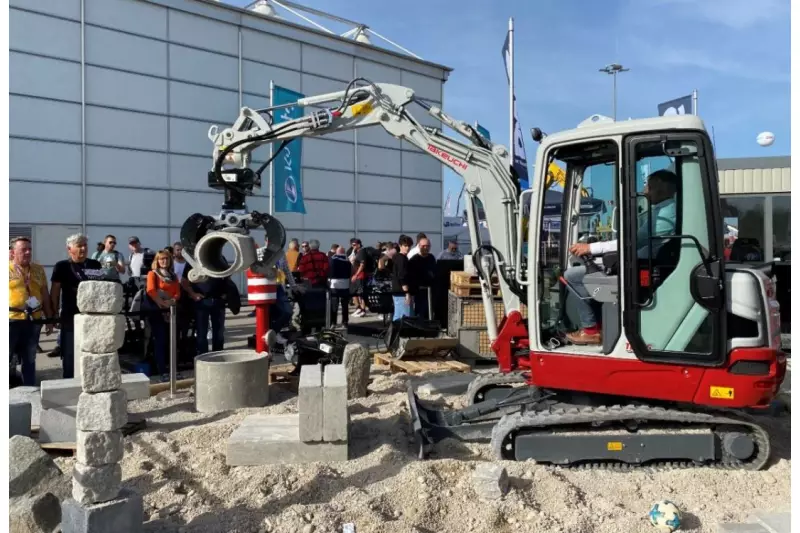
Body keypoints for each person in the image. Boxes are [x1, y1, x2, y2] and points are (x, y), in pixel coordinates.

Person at [565, 169, 678, 345]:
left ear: (661, 188)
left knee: (572, 276)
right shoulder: (665, 210)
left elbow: (632, 241)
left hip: (641, 265)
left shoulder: (665, 215)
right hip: (640, 261)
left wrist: (590, 248)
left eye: (648, 186)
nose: (645, 190)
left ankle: (591, 329)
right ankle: (600, 326)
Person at [50, 234, 103, 378]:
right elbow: (55, 292)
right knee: (70, 353)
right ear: (69, 249)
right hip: (70, 315)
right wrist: (53, 314)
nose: (84, 248)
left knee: (92, 350)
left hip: (92, 316)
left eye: (85, 245)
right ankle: (68, 380)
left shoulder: (95, 264)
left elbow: (100, 289)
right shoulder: (62, 266)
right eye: (79, 245)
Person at [10, 236, 54, 385]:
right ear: (12, 252)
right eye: (23, 250)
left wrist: (49, 318)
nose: (28, 252)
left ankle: (30, 388)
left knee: (30, 357)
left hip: (34, 320)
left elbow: (45, 294)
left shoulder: (38, 269)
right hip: (11, 319)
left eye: (29, 249)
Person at [145, 250, 181, 382]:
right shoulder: (152, 274)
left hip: (171, 310)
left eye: (166, 258)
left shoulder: (173, 276)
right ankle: (162, 371)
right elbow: (150, 290)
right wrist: (161, 303)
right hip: (157, 311)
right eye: (161, 259)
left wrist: (172, 301)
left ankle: (173, 369)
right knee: (160, 341)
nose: (164, 261)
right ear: (157, 261)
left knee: (172, 341)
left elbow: (177, 292)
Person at [180, 262, 228, 357]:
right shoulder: (192, 261)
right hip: (201, 301)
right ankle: (204, 358)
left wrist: (226, 294)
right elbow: (184, 280)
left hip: (218, 301)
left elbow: (227, 276)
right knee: (202, 333)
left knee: (219, 334)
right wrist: (193, 294)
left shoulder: (220, 258)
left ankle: (218, 357)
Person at [409, 237, 436, 319]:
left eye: (427, 246)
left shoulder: (431, 258)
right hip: (419, 291)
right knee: (420, 312)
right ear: (419, 246)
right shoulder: (414, 259)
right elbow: (411, 276)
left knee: (430, 312)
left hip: (430, 290)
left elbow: (435, 271)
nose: (426, 248)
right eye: (423, 246)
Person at [391, 235, 414, 320]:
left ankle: (394, 332)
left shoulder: (398, 257)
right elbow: (402, 276)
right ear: (400, 246)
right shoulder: (401, 258)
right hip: (401, 292)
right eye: (405, 246)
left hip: (397, 291)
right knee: (404, 317)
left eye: (409, 246)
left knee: (398, 315)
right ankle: (397, 333)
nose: (407, 248)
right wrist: (407, 293)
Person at [328, 246, 351, 326]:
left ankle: (333, 322)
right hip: (345, 284)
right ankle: (345, 322)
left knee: (334, 304)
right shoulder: (347, 261)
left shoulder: (332, 260)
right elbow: (350, 272)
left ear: (336, 252)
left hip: (334, 284)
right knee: (345, 305)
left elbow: (329, 271)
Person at [350, 239, 373, 317]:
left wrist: (356, 275)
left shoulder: (362, 252)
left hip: (360, 276)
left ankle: (363, 310)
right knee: (355, 292)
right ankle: (359, 309)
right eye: (352, 245)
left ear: (358, 245)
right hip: (357, 276)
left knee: (361, 294)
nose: (352, 246)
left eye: (354, 245)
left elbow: (362, 265)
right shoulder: (357, 252)